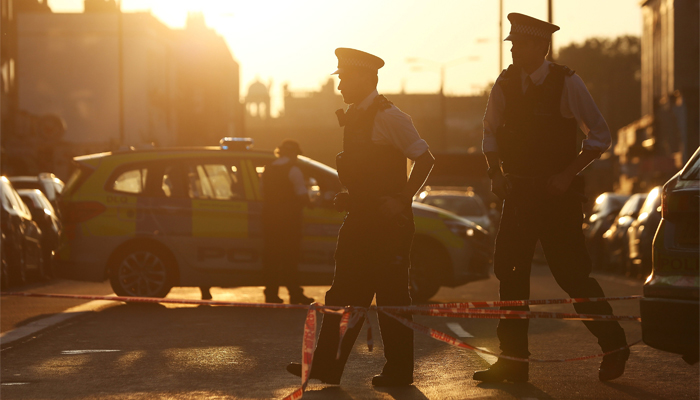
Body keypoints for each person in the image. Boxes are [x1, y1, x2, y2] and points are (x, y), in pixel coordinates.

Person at [474, 13, 629, 383]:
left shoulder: (566, 81)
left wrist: (566, 175)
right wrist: (495, 172)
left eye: (519, 43)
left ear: (539, 46)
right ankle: (513, 361)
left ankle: (614, 343)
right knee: (510, 275)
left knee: (572, 276)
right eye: (510, 43)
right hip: (519, 193)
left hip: (556, 195)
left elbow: (600, 136)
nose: (511, 49)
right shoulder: (506, 82)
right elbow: (489, 133)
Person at [286, 48, 435, 387]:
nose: (339, 86)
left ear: (366, 79)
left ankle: (399, 373)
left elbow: (425, 160)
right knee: (342, 295)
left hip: (387, 226)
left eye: (345, 78)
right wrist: (350, 196)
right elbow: (368, 174)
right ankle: (326, 366)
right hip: (360, 219)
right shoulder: (355, 116)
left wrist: (402, 200)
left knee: (392, 298)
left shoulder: (390, 116)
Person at [262, 140, 314, 305]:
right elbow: (302, 195)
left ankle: (271, 294)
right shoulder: (293, 170)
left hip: (269, 219)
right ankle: (295, 293)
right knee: (290, 257)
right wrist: (312, 204)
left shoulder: (268, 169)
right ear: (292, 154)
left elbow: (262, 191)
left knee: (272, 258)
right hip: (289, 221)